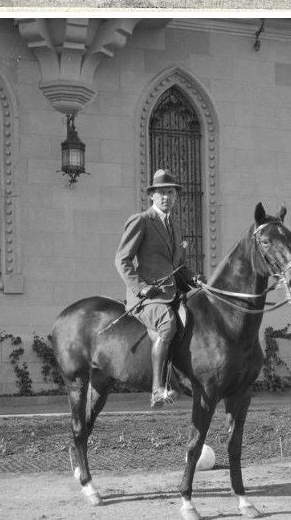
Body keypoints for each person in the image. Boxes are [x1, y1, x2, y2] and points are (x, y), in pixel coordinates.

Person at [114, 169, 201, 409]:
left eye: (170, 193)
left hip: (171, 293)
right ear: (152, 196)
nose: (166, 197)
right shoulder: (141, 220)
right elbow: (122, 260)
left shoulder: (175, 226)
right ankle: (157, 389)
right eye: (161, 193)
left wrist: (196, 279)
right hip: (145, 298)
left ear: (175, 196)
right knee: (167, 323)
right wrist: (141, 288)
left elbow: (179, 265)